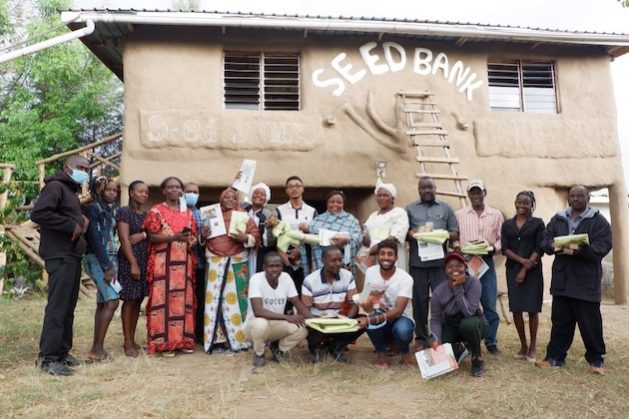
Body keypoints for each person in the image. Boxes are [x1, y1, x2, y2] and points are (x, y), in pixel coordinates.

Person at [536, 185, 612, 374]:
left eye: (580, 195)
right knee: (560, 322)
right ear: (568, 199)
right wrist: (552, 245)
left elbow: (603, 246)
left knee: (590, 324)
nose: (576, 199)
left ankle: (596, 360)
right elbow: (545, 240)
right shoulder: (558, 218)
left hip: (585, 282)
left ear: (588, 197)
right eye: (573, 196)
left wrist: (582, 250)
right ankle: (554, 357)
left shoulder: (598, 221)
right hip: (562, 279)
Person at [30, 155, 91, 376]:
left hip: (71, 254)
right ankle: (48, 359)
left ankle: (62, 352)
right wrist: (70, 224)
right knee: (58, 307)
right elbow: (38, 213)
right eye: (80, 167)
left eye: (87, 168)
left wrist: (81, 220)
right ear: (67, 168)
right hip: (60, 254)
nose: (84, 171)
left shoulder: (70, 191)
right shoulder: (55, 186)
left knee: (68, 307)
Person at [143, 176, 197, 357]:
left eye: (178, 187)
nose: (174, 190)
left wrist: (193, 239)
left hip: (184, 263)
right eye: (170, 187)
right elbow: (152, 237)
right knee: (163, 300)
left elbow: (191, 237)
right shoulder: (156, 210)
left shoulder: (187, 212)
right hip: (162, 262)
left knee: (183, 301)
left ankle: (182, 340)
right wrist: (174, 238)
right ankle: (164, 342)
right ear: (164, 190)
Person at [405, 176, 459, 350]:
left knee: (442, 300)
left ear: (435, 189)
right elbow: (403, 232)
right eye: (423, 188)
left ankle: (440, 336)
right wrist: (411, 233)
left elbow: (455, 233)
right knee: (419, 301)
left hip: (439, 264)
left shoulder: (446, 208)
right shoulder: (410, 209)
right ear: (418, 189)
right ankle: (421, 337)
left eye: (430, 187)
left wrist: (443, 234)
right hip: (418, 264)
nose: (427, 190)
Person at [204, 188, 260, 354]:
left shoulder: (244, 217)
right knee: (214, 302)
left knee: (236, 303)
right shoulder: (211, 214)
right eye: (226, 197)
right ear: (220, 199)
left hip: (237, 263)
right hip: (214, 262)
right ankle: (216, 341)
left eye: (233, 197)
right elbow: (201, 240)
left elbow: (255, 237)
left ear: (237, 200)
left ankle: (237, 341)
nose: (229, 199)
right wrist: (202, 235)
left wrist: (245, 238)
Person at [455, 180, 504, 355]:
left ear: (485, 193)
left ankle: (491, 341)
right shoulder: (459, 214)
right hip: (467, 263)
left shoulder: (495, 215)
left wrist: (493, 248)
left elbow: (501, 238)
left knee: (489, 302)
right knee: (466, 303)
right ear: (468, 195)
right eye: (473, 192)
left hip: (486, 262)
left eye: (479, 192)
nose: (476, 196)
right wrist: (456, 247)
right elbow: (455, 236)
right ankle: (468, 339)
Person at [245, 252, 311, 367]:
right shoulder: (256, 279)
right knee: (261, 324)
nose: (274, 269)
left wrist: (314, 320)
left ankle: (278, 349)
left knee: (302, 329)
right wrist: (287, 317)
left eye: (278, 266)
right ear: (264, 267)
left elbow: (297, 302)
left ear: (282, 266)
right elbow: (258, 311)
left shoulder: (286, 278)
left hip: (275, 325)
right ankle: (259, 353)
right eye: (271, 266)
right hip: (254, 327)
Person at [301, 246, 365, 363]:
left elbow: (354, 302)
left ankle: (335, 348)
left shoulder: (347, 276)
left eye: (340, 260)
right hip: (317, 322)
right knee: (314, 331)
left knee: (363, 320)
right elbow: (305, 309)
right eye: (333, 260)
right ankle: (314, 349)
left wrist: (349, 319)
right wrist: (314, 322)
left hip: (338, 320)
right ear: (323, 260)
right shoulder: (310, 281)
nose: (338, 264)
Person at [357, 240, 415, 369]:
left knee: (403, 330)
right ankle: (381, 354)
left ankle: (404, 351)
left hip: (401, 317)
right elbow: (367, 301)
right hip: (379, 313)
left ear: (396, 258)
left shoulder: (405, 278)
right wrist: (365, 305)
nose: (386, 257)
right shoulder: (371, 272)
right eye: (382, 253)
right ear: (377, 256)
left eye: (390, 254)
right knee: (370, 319)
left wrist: (370, 318)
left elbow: (399, 311)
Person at [501, 191, 544, 362]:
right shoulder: (507, 225)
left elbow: (540, 247)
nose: (522, 206)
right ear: (515, 202)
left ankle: (533, 347)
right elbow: (505, 248)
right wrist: (522, 262)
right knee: (516, 309)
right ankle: (523, 345)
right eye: (519, 202)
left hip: (532, 272)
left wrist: (526, 267)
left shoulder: (538, 224)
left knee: (532, 309)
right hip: (512, 269)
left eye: (526, 203)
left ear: (532, 205)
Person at [430, 252, 489, 377]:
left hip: (476, 324)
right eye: (450, 266)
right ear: (445, 271)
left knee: (468, 324)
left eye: (459, 265)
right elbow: (435, 319)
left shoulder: (474, 283)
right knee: (444, 349)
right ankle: (461, 347)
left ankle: (476, 358)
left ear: (466, 268)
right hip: (453, 325)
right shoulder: (438, 291)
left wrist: (457, 288)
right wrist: (436, 339)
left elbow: (468, 312)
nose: (455, 269)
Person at [83, 177, 119, 362]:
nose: (113, 192)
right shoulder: (93, 209)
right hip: (98, 259)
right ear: (99, 191)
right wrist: (108, 266)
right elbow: (95, 239)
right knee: (112, 301)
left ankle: (97, 348)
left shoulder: (110, 210)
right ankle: (97, 350)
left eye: (115, 190)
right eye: (108, 190)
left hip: (108, 259)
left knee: (103, 302)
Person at [116, 180, 150, 357]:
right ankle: (127, 340)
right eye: (140, 192)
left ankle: (133, 337)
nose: (144, 195)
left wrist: (143, 235)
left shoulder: (145, 215)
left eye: (146, 192)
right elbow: (124, 239)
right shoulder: (124, 212)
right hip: (130, 260)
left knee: (138, 299)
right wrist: (133, 264)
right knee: (129, 300)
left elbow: (151, 234)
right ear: (131, 193)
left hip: (144, 259)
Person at [275, 176, 317, 295]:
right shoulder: (279, 210)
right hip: (285, 256)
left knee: (303, 290)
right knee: (285, 291)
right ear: (286, 190)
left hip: (305, 255)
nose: (294, 189)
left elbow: (314, 235)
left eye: (297, 186)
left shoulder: (312, 211)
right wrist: (282, 254)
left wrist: (300, 251)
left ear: (302, 189)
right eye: (291, 186)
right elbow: (277, 234)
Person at [309, 190, 362, 272]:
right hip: (321, 264)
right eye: (332, 202)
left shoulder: (351, 220)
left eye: (339, 202)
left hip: (344, 265)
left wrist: (347, 240)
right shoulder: (318, 220)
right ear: (327, 203)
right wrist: (335, 238)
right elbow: (312, 235)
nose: (335, 204)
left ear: (343, 204)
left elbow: (357, 237)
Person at [183, 182, 210, 343]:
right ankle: (185, 333)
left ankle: (198, 333)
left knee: (200, 300)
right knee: (183, 300)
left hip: (200, 264)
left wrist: (203, 237)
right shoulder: (178, 213)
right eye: (188, 191)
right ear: (183, 194)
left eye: (195, 191)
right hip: (180, 265)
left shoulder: (204, 214)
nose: (192, 194)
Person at [362, 179, 409, 270]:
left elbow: (396, 236)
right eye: (379, 196)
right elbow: (365, 232)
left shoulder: (399, 213)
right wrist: (365, 237)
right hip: (374, 258)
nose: (382, 198)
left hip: (393, 257)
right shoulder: (373, 216)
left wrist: (378, 247)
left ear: (392, 199)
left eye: (385, 195)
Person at [244, 182, 277, 274]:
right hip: (242, 252)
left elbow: (269, 242)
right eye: (256, 193)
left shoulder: (268, 215)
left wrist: (268, 229)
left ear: (266, 199)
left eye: (262, 194)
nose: (259, 196)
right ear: (251, 195)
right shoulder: (243, 211)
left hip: (259, 253)